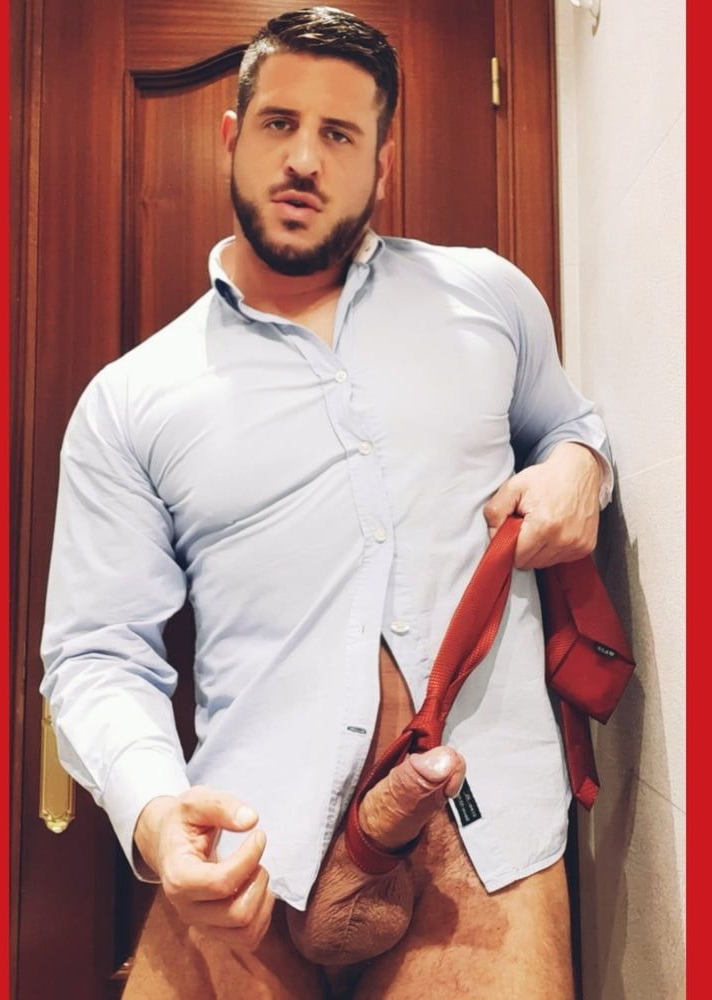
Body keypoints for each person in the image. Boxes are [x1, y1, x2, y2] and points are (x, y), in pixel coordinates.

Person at [41, 7, 613, 997]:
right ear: (231, 137)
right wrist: (154, 815)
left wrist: (582, 465)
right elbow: (96, 653)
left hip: (483, 850)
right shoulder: (128, 402)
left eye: (340, 134)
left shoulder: (490, 298)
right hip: (247, 853)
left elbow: (568, 425)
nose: (304, 159)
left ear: (381, 165)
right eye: (279, 124)